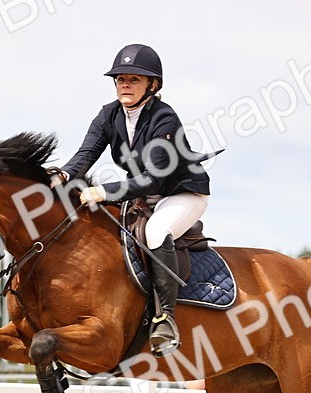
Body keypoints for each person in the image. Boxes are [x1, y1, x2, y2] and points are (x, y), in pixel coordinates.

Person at [50, 43, 210, 357]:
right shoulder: (108, 114)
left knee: (156, 231)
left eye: (134, 79)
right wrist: (62, 175)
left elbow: (153, 179)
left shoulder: (165, 118)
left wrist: (103, 192)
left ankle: (166, 319)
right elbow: (85, 155)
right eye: (120, 78)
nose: (125, 84)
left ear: (153, 85)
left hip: (182, 193)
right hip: (143, 195)